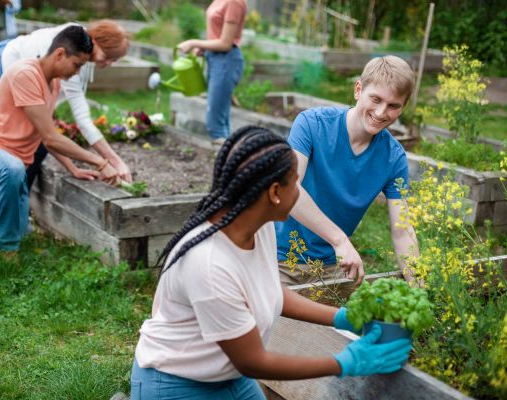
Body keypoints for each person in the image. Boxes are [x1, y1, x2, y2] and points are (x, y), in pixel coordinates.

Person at [131, 126, 412, 399]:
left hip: (229, 377)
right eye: (296, 183)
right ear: (275, 193)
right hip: (177, 384)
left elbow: (268, 291)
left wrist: (342, 317)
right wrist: (345, 362)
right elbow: (253, 362)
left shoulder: (257, 224)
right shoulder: (209, 264)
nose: (300, 192)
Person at [0, 26, 118, 254]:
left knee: (21, 233)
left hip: (14, 166)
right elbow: (52, 139)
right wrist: (101, 162)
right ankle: (7, 252)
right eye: (77, 64)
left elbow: (47, 134)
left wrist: (73, 168)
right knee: (14, 173)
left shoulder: (53, 83)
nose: (77, 73)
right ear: (59, 54)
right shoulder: (25, 73)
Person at [275, 56, 420, 286]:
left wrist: (419, 288)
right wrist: (340, 240)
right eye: (376, 99)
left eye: (393, 106)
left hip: (335, 268)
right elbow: (289, 191)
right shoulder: (312, 124)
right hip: (280, 259)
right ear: (358, 90)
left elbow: (402, 232)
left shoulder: (394, 157)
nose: (382, 112)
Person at [0, 20, 131, 188]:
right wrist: (114, 162)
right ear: (95, 42)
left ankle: (19, 196)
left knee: (39, 138)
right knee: (25, 140)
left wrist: (73, 168)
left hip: (14, 57)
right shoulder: (69, 54)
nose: (108, 63)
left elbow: (50, 133)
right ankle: (11, 194)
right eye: (108, 56)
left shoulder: (79, 46)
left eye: (114, 60)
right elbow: (81, 121)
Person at [177, 0, 246, 145]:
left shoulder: (234, 2)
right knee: (220, 118)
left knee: (215, 124)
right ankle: (228, 160)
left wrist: (194, 43)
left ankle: (225, 161)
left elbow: (226, 44)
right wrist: (206, 48)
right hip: (215, 59)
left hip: (226, 61)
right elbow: (217, 36)